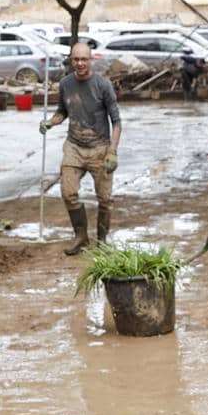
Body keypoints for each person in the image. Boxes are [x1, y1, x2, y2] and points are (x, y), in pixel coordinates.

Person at [38, 41, 121, 257]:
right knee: (68, 193)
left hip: (100, 147)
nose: (80, 63)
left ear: (91, 60)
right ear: (71, 60)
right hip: (74, 146)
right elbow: (62, 111)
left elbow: (117, 122)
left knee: (105, 199)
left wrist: (112, 151)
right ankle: (81, 236)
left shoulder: (102, 85)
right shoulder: (66, 83)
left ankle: (102, 241)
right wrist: (51, 122)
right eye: (76, 59)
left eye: (84, 59)